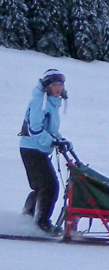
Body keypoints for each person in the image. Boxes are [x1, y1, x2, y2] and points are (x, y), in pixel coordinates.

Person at [18, 69, 68, 234]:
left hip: (38, 149)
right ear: (47, 86)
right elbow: (35, 129)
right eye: (54, 84)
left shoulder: (52, 102)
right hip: (31, 149)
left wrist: (61, 140)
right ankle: (42, 223)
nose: (58, 88)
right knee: (50, 185)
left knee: (41, 186)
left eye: (60, 84)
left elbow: (50, 130)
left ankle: (27, 218)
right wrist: (52, 141)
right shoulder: (40, 102)